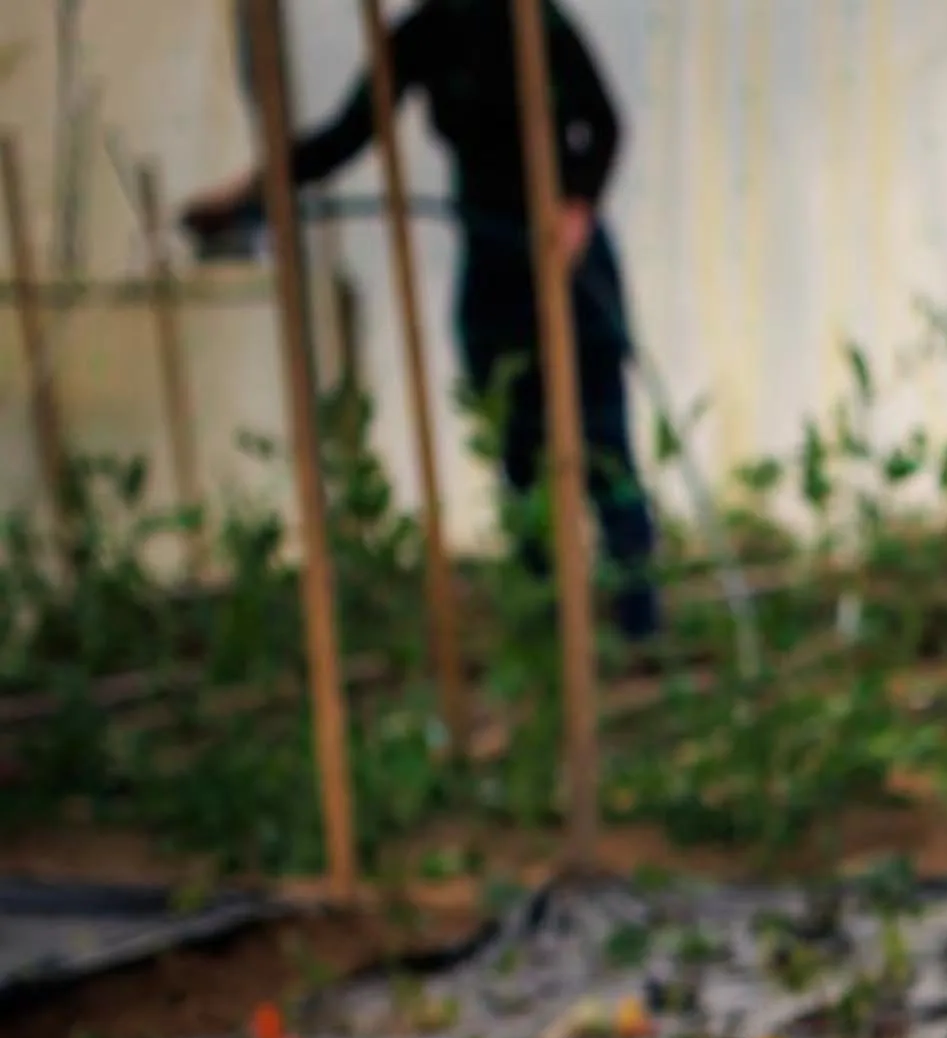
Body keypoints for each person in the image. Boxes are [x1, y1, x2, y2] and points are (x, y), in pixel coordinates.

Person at [184, 0, 661, 647]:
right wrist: (252, 191)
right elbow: (346, 135)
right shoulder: (425, 35)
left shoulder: (532, 18)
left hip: (565, 260)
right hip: (493, 261)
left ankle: (640, 621)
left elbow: (602, 125)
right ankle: (549, 624)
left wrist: (575, 206)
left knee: (602, 441)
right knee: (517, 447)